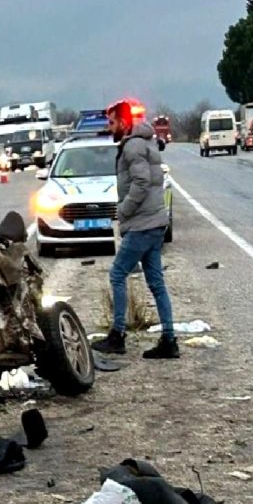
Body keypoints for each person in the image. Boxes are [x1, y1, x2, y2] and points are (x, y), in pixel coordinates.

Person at [91, 100, 179, 359]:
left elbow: (141, 182)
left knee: (118, 274)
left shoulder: (132, 147)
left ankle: (118, 335)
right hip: (154, 222)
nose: (110, 128)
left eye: (112, 122)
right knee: (156, 283)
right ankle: (169, 339)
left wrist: (124, 211)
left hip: (142, 224)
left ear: (123, 122)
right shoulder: (145, 141)